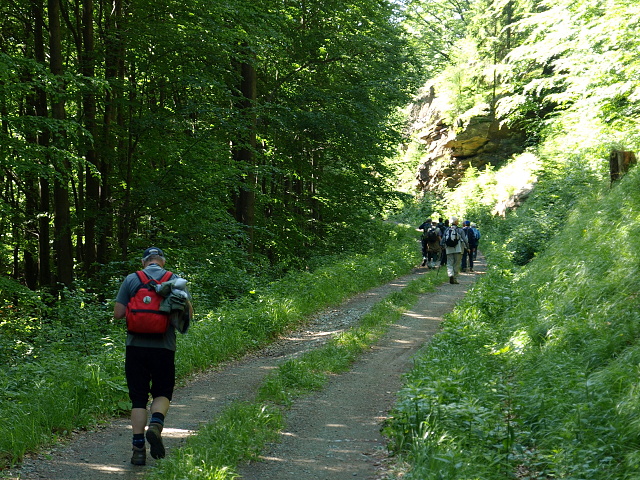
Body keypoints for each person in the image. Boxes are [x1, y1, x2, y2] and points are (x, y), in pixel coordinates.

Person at [114, 247, 193, 466]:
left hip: (135, 347)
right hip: (164, 347)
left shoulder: (132, 279)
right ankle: (156, 424)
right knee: (162, 391)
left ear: (144, 262)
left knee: (138, 398)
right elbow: (187, 316)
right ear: (162, 262)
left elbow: (118, 314)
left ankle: (138, 450)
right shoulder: (175, 280)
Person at [442, 217, 468, 284]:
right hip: (458, 249)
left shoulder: (447, 229)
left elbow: (443, 239)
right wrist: (467, 247)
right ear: (456, 222)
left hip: (448, 249)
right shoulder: (460, 230)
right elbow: (465, 239)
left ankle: (450, 274)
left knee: (449, 263)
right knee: (456, 264)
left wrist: (442, 246)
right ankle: (455, 278)